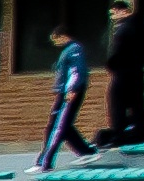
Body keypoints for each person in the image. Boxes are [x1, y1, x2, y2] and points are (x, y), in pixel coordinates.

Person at [36, 24, 100, 171]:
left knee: (59, 127)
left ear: (63, 36)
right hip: (63, 93)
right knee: (61, 125)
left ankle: (45, 163)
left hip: (69, 93)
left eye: (55, 40)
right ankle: (86, 151)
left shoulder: (74, 49)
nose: (55, 43)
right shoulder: (68, 51)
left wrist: (72, 90)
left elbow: (77, 72)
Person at [104, 0, 144, 147]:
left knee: (117, 104)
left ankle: (118, 136)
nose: (112, 17)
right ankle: (140, 133)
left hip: (122, 72)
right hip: (138, 71)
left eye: (113, 13)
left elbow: (116, 52)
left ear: (123, 11)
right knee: (137, 103)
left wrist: (111, 65)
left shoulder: (122, 29)